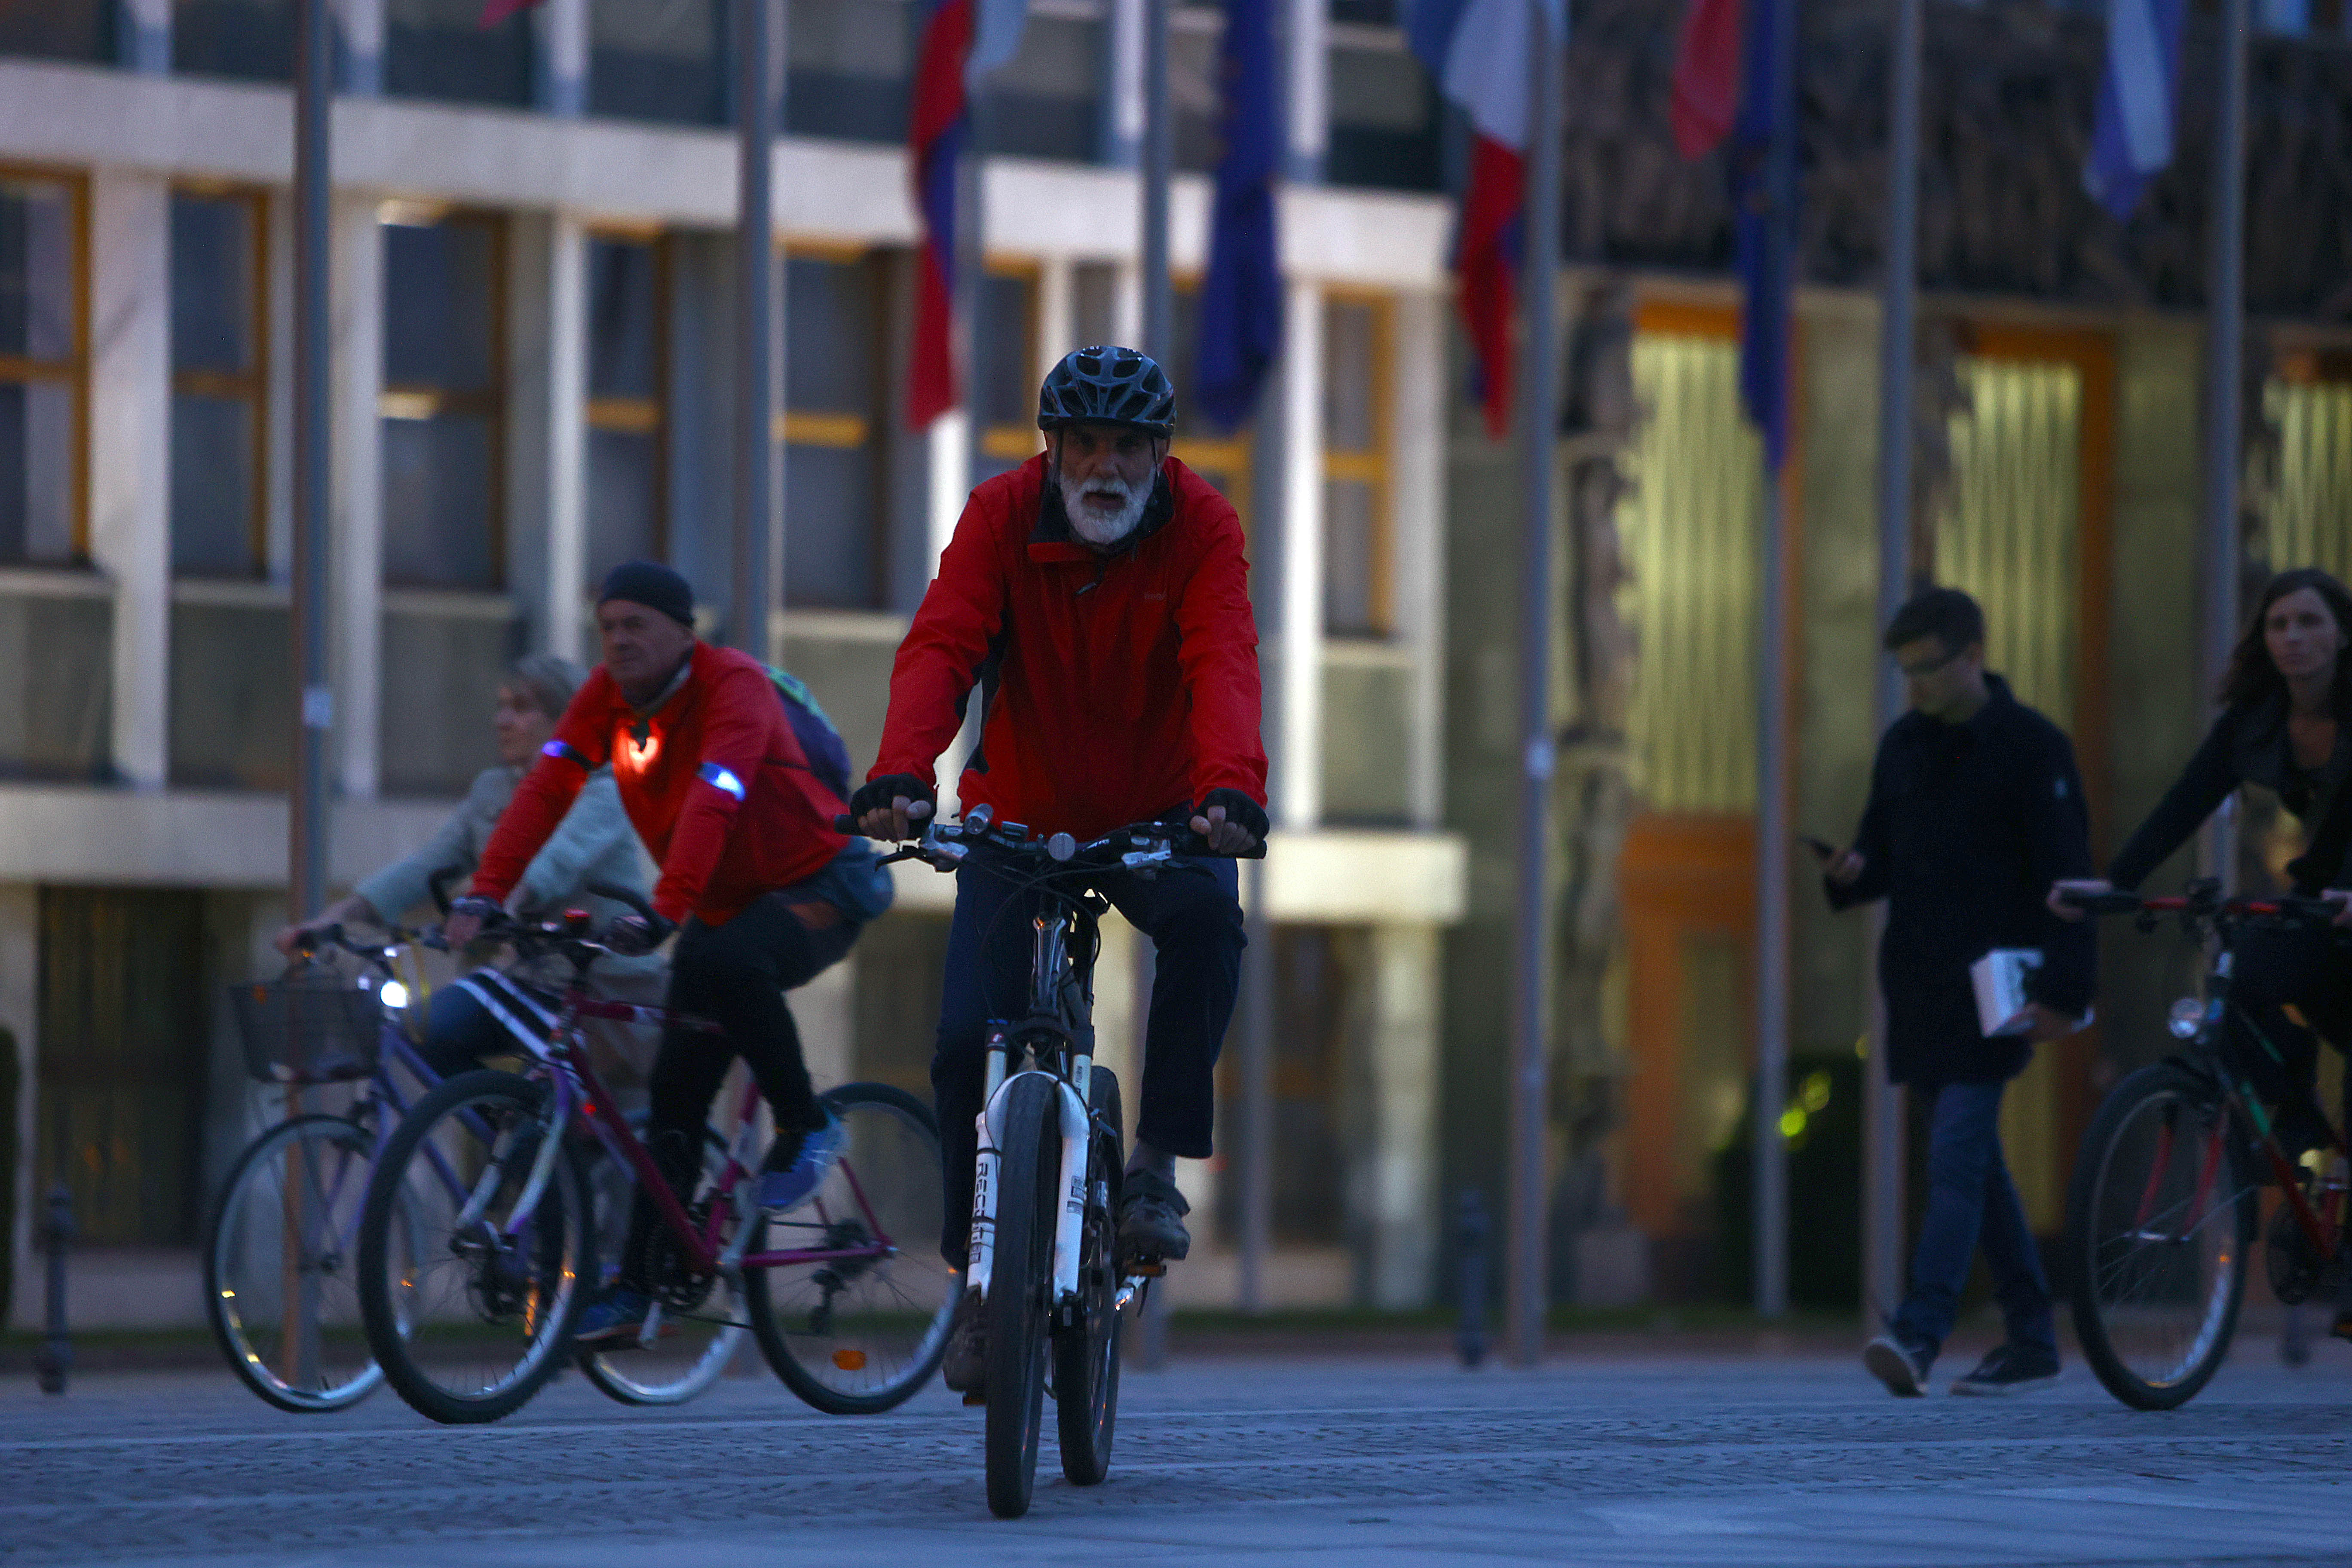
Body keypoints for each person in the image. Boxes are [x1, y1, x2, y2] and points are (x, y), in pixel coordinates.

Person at [852, 345, 1268, 1394]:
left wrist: (1227, 791)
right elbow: (942, 646)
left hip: (1160, 815)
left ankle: (1155, 1169)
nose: (1103, 465)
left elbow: (1221, 657)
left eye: (1128, 444)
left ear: (1161, 455)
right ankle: (979, 1275)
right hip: (1018, 819)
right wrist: (904, 771)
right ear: (1050, 448)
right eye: (1083, 441)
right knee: (959, 1044)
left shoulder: (1203, 527)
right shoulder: (998, 516)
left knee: (1209, 928)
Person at [450, 561, 894, 1344]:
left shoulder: (734, 688)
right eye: (607, 626)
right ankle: (639, 1286)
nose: (617, 640)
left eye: (635, 626)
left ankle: (807, 1122)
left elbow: (715, 795)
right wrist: (487, 891)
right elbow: (546, 788)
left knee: (727, 966)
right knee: (676, 1098)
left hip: (821, 879)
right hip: (724, 902)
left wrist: (663, 913)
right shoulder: (603, 700)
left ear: (683, 633)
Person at [2051, 566, 2352, 1339]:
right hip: (2324, 902)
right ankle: (2295, 1130)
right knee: (2242, 968)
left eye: (2309, 622)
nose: (2292, 638)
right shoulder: (2255, 718)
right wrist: (2114, 884)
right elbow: (2184, 801)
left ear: (2340, 633)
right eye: (2278, 624)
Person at [1823, 587, 2094, 1397]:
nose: (1913, 686)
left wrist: (2065, 987)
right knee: (1975, 1165)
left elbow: (2068, 876)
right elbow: (1879, 849)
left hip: (1996, 987)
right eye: (1903, 671)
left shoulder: (2031, 747)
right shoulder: (1903, 745)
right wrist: (1849, 873)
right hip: (1919, 986)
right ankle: (2032, 1334)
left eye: (1926, 668)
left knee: (1952, 1158)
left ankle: (1918, 1330)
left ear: (1972, 655)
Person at [275, 654, 659, 1078]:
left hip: (605, 993)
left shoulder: (604, 788)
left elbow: (556, 864)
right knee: (418, 1034)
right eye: (502, 706)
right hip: (528, 982)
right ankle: (504, 1131)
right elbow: (426, 865)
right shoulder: (492, 791)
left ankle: (541, 1135)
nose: (502, 720)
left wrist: (497, 906)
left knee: (595, 1121)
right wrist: (332, 921)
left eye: (522, 708)